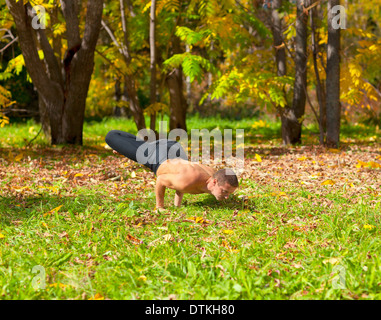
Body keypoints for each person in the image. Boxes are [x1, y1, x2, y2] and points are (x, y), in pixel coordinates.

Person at [105, 130, 239, 210]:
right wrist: (160, 208)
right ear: (214, 182)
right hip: (158, 154)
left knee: (135, 146)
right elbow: (161, 180)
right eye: (225, 192)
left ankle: (129, 148)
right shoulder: (189, 180)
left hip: (174, 149)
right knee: (111, 136)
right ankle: (130, 148)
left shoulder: (214, 175)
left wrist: (177, 207)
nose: (226, 197)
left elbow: (180, 187)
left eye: (229, 194)